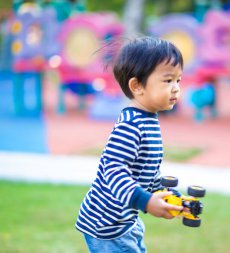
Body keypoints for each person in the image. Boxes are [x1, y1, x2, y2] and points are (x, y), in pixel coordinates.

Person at [75, 36, 184, 253]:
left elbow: (146, 170)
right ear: (137, 86)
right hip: (106, 225)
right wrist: (144, 201)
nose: (175, 88)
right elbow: (113, 171)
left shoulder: (148, 120)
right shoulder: (130, 125)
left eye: (178, 80)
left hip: (125, 220)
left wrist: (163, 193)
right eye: (167, 80)